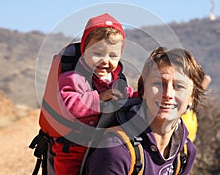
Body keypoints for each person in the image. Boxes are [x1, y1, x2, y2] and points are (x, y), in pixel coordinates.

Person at [84, 47, 207, 175]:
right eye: (159, 84)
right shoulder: (116, 150)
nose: (168, 94)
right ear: (142, 91)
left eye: (179, 86)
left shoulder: (185, 153)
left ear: (191, 97)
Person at [51, 13, 136, 175]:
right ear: (84, 51)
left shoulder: (118, 81)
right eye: (97, 53)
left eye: (112, 55)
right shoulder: (73, 78)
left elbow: (129, 95)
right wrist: (98, 99)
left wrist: (143, 98)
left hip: (101, 144)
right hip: (73, 148)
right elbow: (67, 105)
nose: (105, 60)